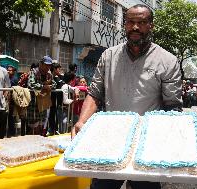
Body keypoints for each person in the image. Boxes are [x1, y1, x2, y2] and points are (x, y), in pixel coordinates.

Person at [72, 4, 182, 189]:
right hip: (110, 141)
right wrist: (81, 121)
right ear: (125, 24)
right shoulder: (109, 56)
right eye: (130, 22)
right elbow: (95, 93)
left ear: (151, 25)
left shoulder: (167, 60)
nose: (135, 27)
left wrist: (167, 144)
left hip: (146, 146)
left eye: (142, 22)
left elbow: (172, 107)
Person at [27, 56, 56, 135]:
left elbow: (54, 84)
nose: (48, 67)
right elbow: (31, 84)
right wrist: (44, 86)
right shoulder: (34, 72)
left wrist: (49, 87)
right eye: (46, 65)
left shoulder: (49, 75)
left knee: (41, 127)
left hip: (43, 104)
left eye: (49, 65)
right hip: (33, 104)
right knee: (33, 128)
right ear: (41, 64)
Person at [7, 65, 18, 137]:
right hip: (7, 100)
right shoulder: (7, 78)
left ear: (13, 72)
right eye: (7, 70)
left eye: (10, 70)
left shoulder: (14, 79)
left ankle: (12, 132)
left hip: (12, 101)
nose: (8, 71)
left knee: (11, 117)